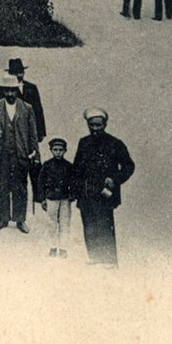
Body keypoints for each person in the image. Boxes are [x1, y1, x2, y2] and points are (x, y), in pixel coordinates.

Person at [71, 108, 135, 266]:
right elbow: (76, 168)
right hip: (86, 192)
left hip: (105, 194)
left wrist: (115, 179)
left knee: (104, 225)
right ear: (88, 125)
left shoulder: (115, 143)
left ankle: (109, 260)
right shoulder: (83, 142)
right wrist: (75, 190)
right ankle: (94, 257)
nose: (95, 129)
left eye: (98, 125)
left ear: (105, 124)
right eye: (92, 125)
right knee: (88, 224)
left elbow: (129, 166)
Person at [0, 74, 40, 233]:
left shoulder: (27, 108)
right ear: (3, 91)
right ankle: (3, 218)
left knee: (20, 187)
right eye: (7, 91)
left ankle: (20, 219)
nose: (10, 94)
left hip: (20, 155)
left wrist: (35, 155)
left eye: (13, 91)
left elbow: (33, 134)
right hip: (1, 155)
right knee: (2, 187)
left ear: (17, 91)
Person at [38, 136, 75, 258]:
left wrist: (72, 195)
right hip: (51, 198)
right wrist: (43, 199)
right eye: (55, 149)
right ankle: (52, 247)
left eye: (61, 149)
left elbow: (73, 182)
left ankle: (63, 248)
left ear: (65, 151)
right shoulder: (47, 165)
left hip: (65, 199)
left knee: (65, 223)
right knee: (51, 223)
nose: (58, 152)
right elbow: (41, 183)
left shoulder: (69, 166)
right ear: (51, 150)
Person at [0, 57, 47, 136]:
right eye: (15, 72)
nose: (19, 75)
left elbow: (38, 110)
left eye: (21, 72)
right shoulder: (1, 90)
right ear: (10, 74)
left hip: (29, 131)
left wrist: (41, 132)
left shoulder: (31, 88)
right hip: (9, 132)